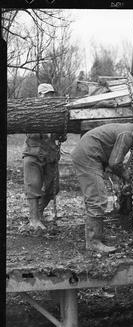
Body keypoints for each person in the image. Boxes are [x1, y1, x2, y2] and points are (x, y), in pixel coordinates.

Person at [71, 117, 133, 253]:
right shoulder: (128, 134)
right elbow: (115, 163)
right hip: (88, 156)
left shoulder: (127, 131)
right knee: (97, 198)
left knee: (95, 197)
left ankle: (94, 237)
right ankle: (93, 242)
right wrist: (125, 174)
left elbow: (113, 161)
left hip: (90, 155)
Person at [23, 83, 65, 230]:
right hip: (33, 154)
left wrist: (61, 134)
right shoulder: (30, 110)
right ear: (39, 96)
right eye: (46, 94)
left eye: (51, 94)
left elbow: (61, 134)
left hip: (51, 155)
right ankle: (34, 220)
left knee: (54, 187)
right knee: (33, 187)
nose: (49, 97)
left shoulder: (56, 111)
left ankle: (38, 212)